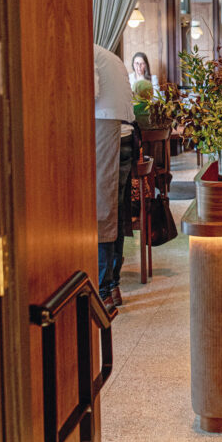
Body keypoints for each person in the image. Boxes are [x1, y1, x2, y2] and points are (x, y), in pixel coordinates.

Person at [95, 43, 135, 312]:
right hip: (127, 134)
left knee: (102, 211)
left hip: (106, 132)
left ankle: (102, 290)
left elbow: (90, 94)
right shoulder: (108, 55)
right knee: (116, 212)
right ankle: (113, 286)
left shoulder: (86, 55)